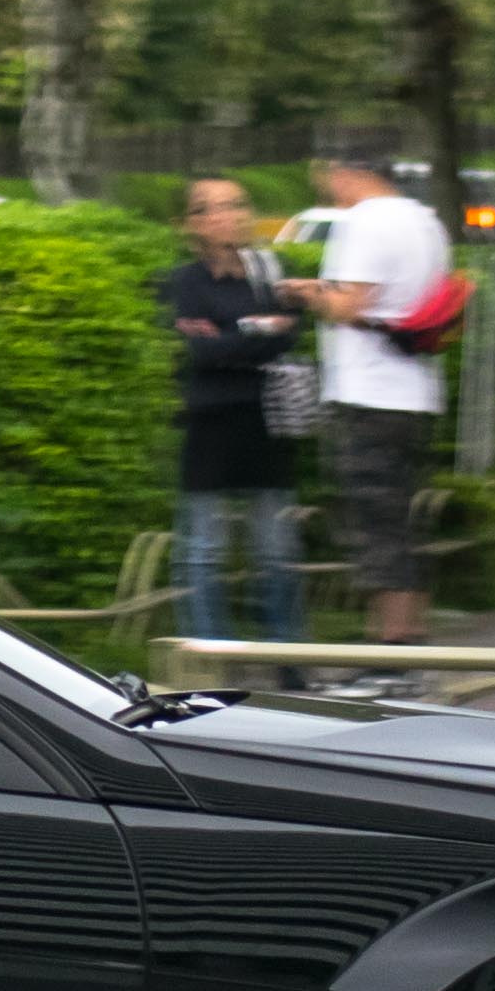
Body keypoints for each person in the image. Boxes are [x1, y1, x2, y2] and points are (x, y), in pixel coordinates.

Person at [290, 152, 451, 657]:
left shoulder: (364, 222)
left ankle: (391, 651)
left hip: (369, 393)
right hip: (415, 392)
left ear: (347, 172)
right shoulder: (424, 221)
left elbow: (349, 304)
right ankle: (406, 639)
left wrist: (307, 294)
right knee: (399, 518)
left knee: (374, 523)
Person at [155, 176, 311, 646]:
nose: (230, 216)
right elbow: (200, 352)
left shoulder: (267, 269)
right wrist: (257, 332)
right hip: (209, 418)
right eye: (215, 208)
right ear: (193, 223)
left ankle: (288, 656)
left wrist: (236, 336)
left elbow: (289, 334)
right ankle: (208, 656)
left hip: (268, 417)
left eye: (237, 205)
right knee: (203, 549)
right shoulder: (183, 282)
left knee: (277, 547)